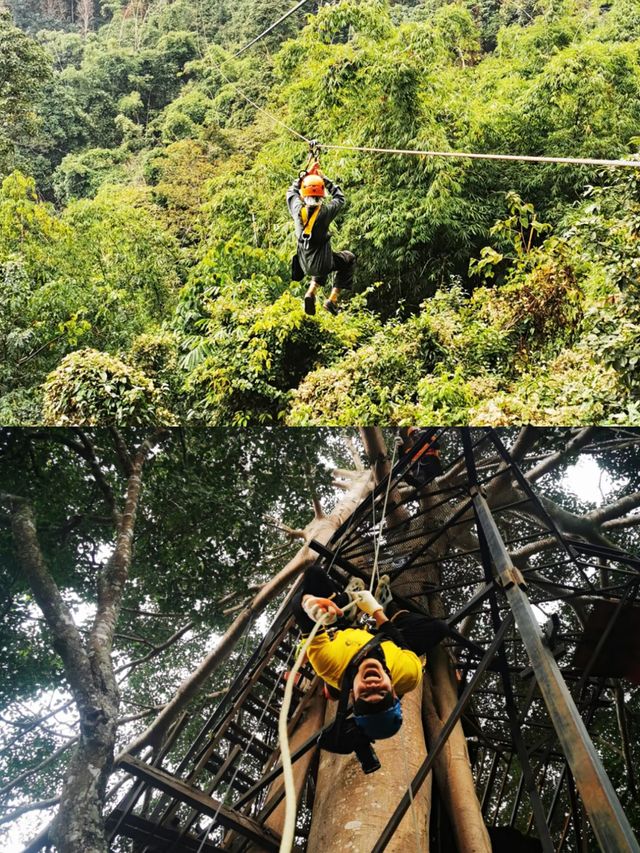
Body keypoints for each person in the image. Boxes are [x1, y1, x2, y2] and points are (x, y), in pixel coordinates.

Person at [292, 566, 457, 740]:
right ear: (393, 692)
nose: (372, 687)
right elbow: (400, 642)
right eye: (381, 693)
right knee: (438, 628)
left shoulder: (328, 663)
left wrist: (309, 603)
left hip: (339, 632)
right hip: (382, 640)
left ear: (352, 695)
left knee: (314, 574)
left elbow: (298, 607)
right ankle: (390, 609)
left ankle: (344, 603)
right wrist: (376, 611)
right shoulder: (408, 674)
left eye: (365, 694)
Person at [286, 164, 356, 316]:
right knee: (348, 258)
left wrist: (303, 177)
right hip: (323, 264)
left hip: (304, 265)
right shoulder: (325, 213)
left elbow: (291, 191)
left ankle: (311, 292)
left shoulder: (297, 209)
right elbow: (340, 198)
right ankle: (332, 300)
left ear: (303, 195)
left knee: (325, 257)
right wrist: (325, 179)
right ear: (322, 194)